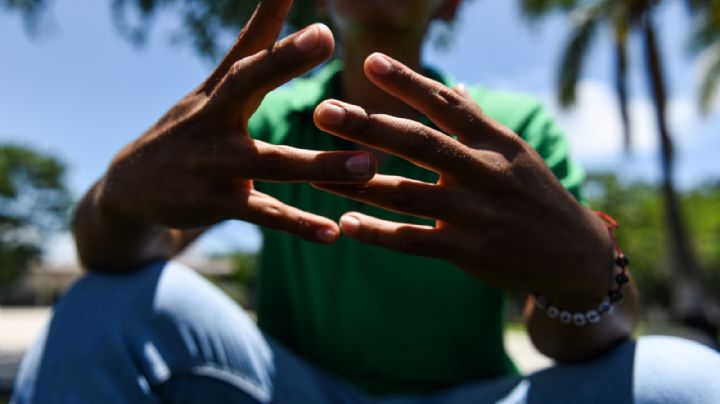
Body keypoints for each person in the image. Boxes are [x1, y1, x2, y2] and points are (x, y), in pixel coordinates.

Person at [12, 0, 720, 402]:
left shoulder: (512, 132)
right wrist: (120, 196)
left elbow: (570, 335)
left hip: (467, 398)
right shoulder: (268, 114)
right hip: (293, 393)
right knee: (99, 307)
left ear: (450, 4)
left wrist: (588, 267)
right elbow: (122, 255)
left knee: (688, 378)